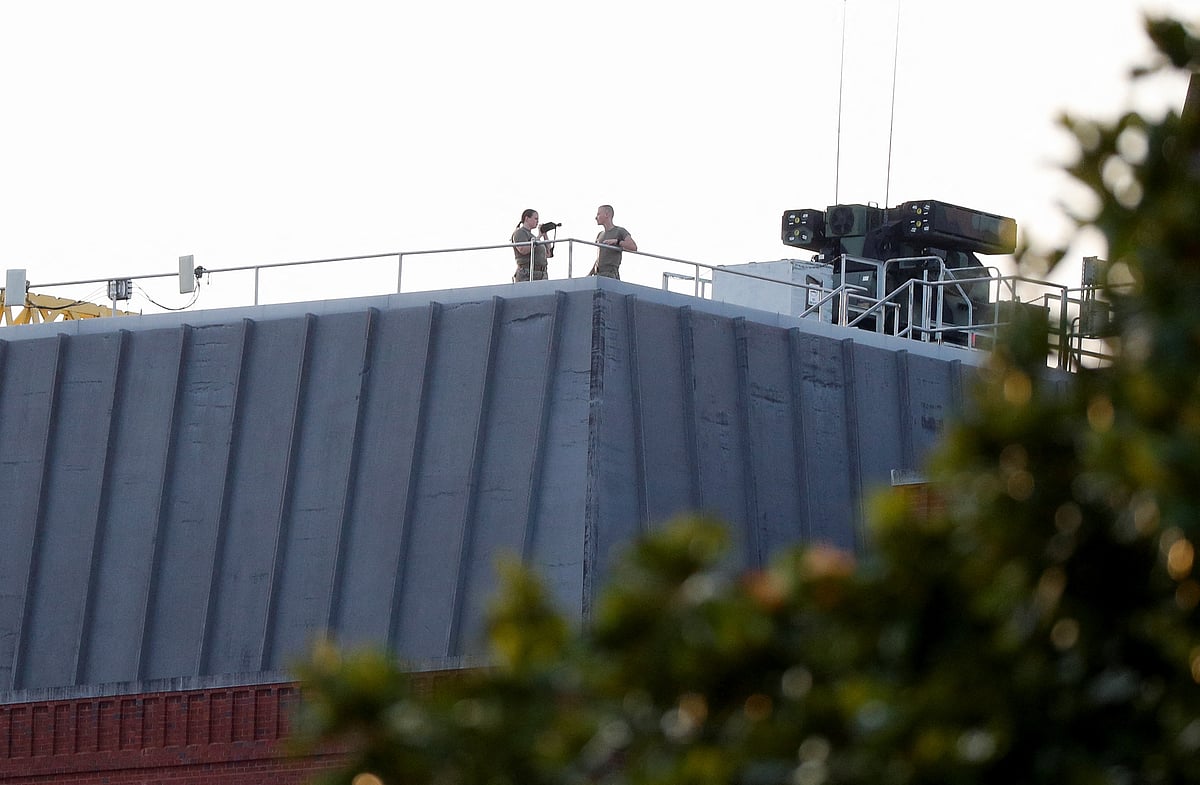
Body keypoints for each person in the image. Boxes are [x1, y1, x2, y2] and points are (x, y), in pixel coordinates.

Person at [589, 204, 636, 279]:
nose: (596, 217)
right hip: (597, 274)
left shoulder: (620, 231)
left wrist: (617, 242)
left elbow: (633, 247)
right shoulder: (600, 235)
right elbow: (600, 257)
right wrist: (590, 273)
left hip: (610, 274)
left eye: (598, 214)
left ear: (607, 214)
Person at [511, 209, 551, 282]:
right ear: (526, 218)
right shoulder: (520, 232)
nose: (537, 221)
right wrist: (538, 237)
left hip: (541, 274)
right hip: (527, 273)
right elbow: (523, 250)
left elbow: (548, 254)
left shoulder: (533, 237)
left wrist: (545, 235)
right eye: (535, 218)